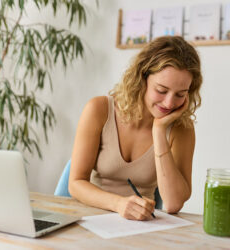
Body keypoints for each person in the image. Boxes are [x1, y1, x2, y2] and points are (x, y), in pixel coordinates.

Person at [69, 36, 202, 221]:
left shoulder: (181, 129)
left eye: (180, 94)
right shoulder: (98, 110)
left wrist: (159, 131)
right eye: (162, 90)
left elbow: (173, 203)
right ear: (143, 78)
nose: (169, 103)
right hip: (90, 218)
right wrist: (118, 204)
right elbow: (76, 183)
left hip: (140, 226)